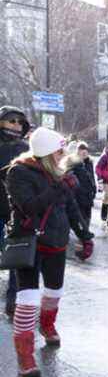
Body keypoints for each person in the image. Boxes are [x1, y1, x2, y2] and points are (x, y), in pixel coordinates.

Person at [5, 127, 94, 377]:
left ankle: (46, 325)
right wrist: (58, 185)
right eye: (59, 150)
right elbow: (29, 206)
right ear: (46, 152)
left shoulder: (59, 172)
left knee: (54, 292)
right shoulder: (18, 172)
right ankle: (25, 356)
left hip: (55, 242)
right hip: (29, 244)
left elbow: (71, 208)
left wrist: (85, 235)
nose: (63, 154)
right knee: (28, 300)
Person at [0, 106, 29, 317]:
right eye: (11, 121)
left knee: (15, 255)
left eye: (19, 122)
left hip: (16, 209)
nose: (16, 125)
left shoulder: (26, 148)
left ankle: (13, 299)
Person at [62, 141, 97, 232]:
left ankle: (86, 231)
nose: (84, 154)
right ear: (77, 152)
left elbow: (91, 176)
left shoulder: (89, 162)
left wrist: (94, 188)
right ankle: (82, 232)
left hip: (88, 192)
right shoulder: (73, 163)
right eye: (82, 152)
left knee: (88, 213)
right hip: (78, 193)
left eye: (86, 152)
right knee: (79, 214)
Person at [96, 141, 108, 223]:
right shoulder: (105, 156)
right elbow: (98, 167)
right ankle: (104, 215)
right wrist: (100, 177)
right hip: (106, 180)